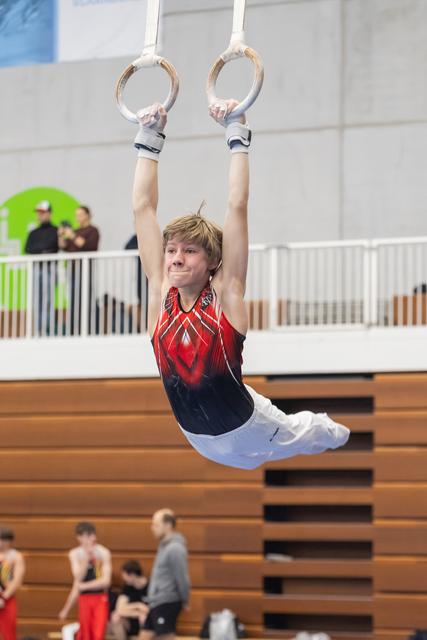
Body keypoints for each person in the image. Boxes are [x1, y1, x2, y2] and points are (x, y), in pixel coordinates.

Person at [131, 99, 350, 470]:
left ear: (213, 263)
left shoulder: (224, 294)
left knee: (303, 434)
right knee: (248, 452)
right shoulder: (160, 294)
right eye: (171, 250)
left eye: (190, 251)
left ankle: (328, 431)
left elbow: (237, 205)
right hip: (197, 437)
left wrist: (237, 133)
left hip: (250, 429)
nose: (176, 258)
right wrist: (148, 136)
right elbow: (142, 208)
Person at [140, 510, 190, 640]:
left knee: (165, 636)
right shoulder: (163, 546)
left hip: (167, 601)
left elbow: (182, 577)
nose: (152, 528)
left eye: (156, 525)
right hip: (156, 602)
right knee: (144, 636)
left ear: (168, 525)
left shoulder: (175, 548)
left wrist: (185, 598)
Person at [59, 522, 111, 640]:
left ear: (94, 536)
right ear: (79, 538)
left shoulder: (103, 553)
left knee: (98, 633)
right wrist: (86, 559)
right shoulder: (75, 554)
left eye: (90, 536)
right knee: (85, 634)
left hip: (100, 597)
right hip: (84, 599)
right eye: (83, 536)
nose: (87, 540)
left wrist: (84, 586)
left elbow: (106, 581)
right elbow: (78, 578)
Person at [58, 206, 100, 334]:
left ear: (88, 215)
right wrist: (61, 235)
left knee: (86, 297)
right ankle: (73, 329)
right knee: (73, 299)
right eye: (76, 215)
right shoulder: (75, 231)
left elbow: (86, 245)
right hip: (72, 269)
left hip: (85, 270)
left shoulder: (93, 231)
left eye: (81, 214)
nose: (78, 217)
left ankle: (88, 328)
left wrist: (71, 234)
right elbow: (63, 246)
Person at [25, 200, 58, 336]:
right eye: (39, 213)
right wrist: (43, 250)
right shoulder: (33, 232)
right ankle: (39, 330)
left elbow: (53, 247)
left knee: (48, 299)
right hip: (36, 268)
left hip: (49, 269)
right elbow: (28, 249)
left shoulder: (55, 230)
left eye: (43, 212)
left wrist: (42, 250)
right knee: (37, 299)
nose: (40, 215)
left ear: (49, 213)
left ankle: (47, 329)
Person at [110, 561, 149, 640]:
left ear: (132, 575)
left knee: (144, 618)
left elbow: (150, 610)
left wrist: (130, 609)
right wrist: (138, 606)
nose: (123, 578)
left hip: (147, 622)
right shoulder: (127, 587)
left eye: (124, 575)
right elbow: (120, 608)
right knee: (116, 617)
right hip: (131, 620)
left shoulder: (150, 586)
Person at [0, 526, 25, 640]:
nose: (1, 543)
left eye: (4, 540)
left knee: (8, 632)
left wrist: (4, 597)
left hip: (6, 598)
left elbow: (17, 581)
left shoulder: (16, 556)